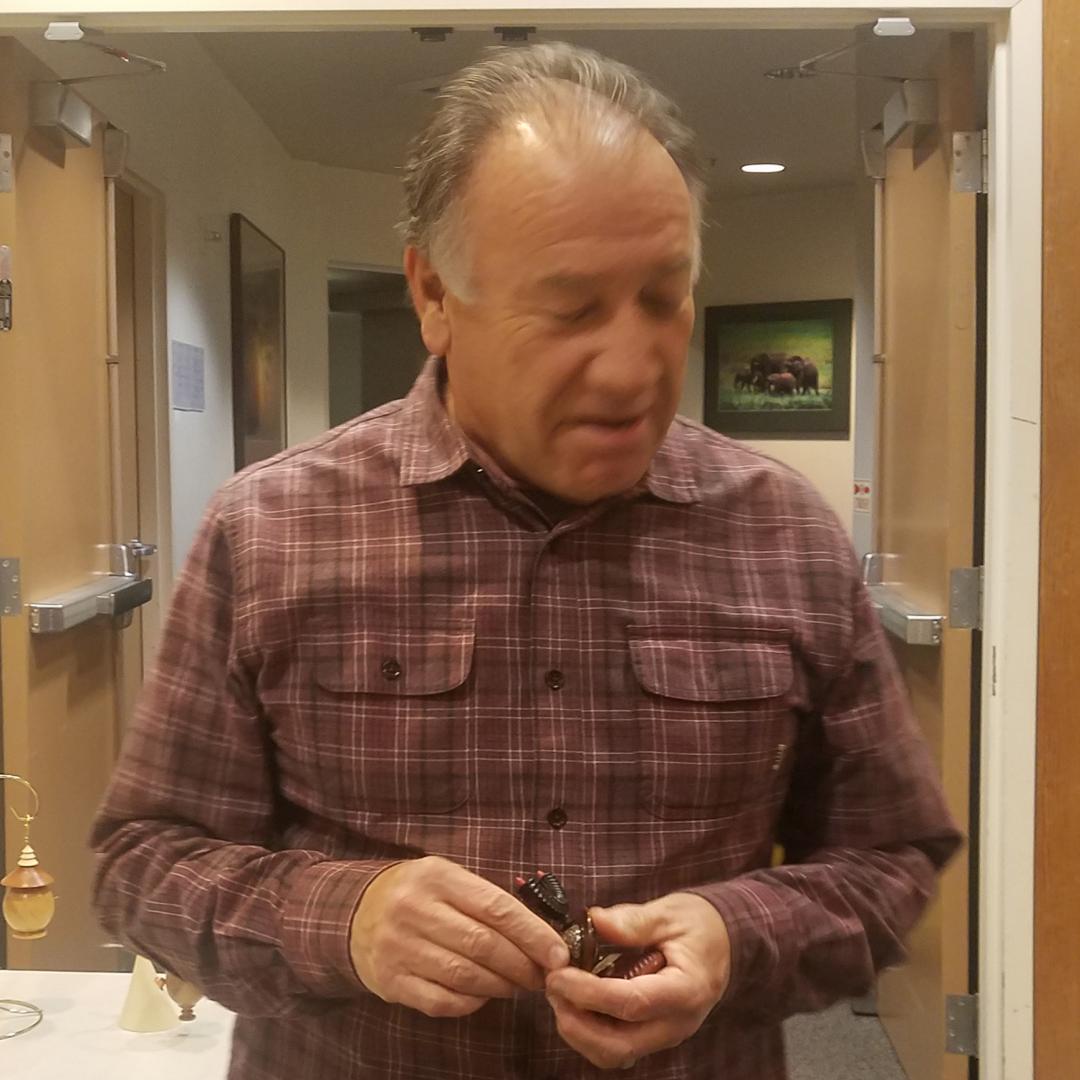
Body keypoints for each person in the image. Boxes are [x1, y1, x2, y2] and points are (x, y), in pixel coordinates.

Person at [92, 42, 961, 1080]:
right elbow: (142, 861)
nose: (633, 368)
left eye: (664, 297)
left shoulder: (786, 531)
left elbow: (891, 858)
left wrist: (741, 937)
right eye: (570, 308)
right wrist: (343, 918)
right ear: (433, 295)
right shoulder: (268, 528)